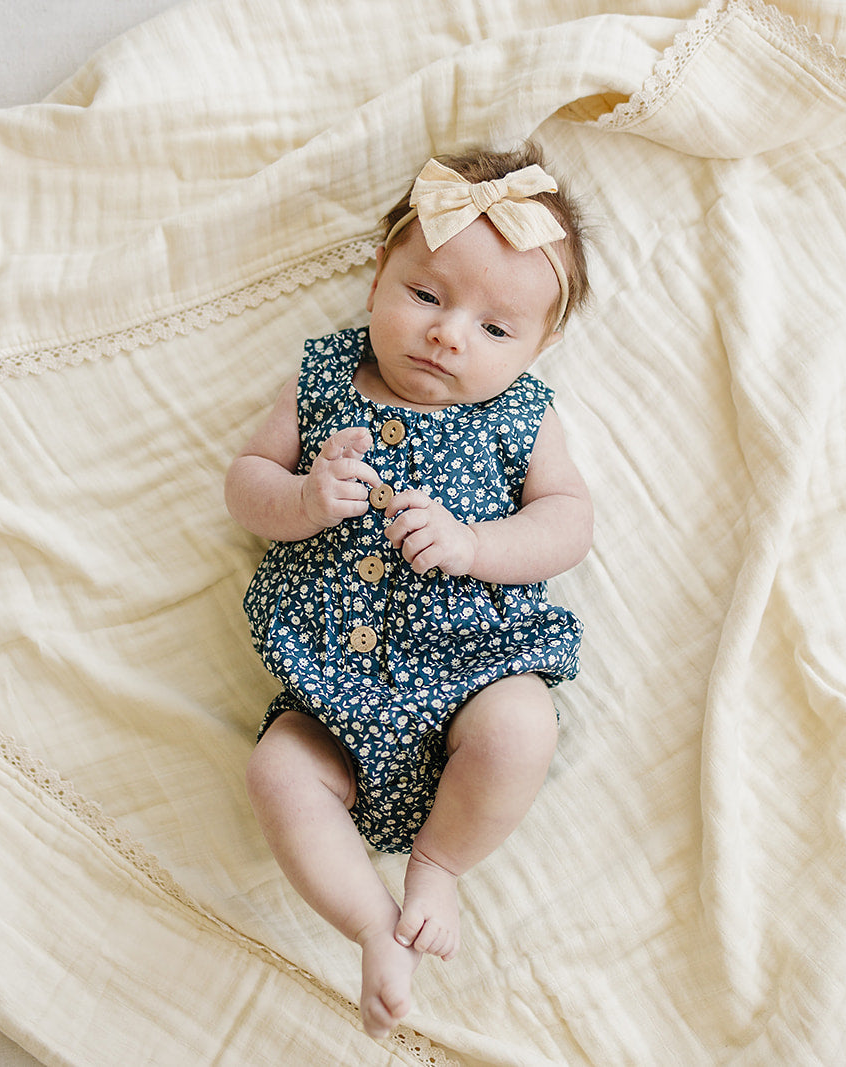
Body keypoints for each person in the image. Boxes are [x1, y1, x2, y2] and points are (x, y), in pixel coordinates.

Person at [225, 142, 593, 1040]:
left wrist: (473, 545)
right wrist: (305, 498)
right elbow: (245, 482)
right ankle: (367, 927)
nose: (448, 333)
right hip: (334, 683)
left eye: (495, 329)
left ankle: (438, 864)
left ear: (539, 347)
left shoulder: (520, 414)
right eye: (427, 295)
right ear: (377, 279)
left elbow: (568, 521)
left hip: (473, 669)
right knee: (278, 770)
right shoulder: (323, 379)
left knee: (523, 726)